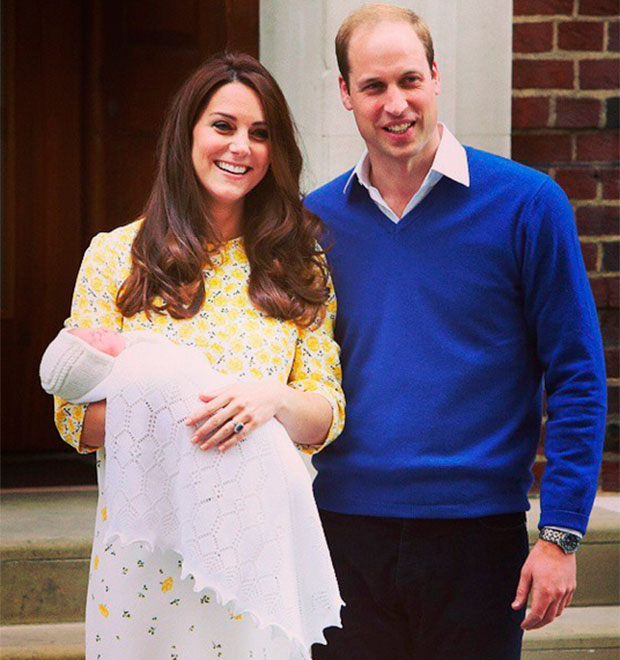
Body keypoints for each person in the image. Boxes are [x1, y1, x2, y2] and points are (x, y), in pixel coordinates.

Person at [304, 5, 607, 660]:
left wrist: (560, 535)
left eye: (410, 80)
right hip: (341, 537)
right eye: (374, 86)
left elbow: (578, 376)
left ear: (437, 76)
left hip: (478, 539)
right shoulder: (314, 223)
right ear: (345, 94)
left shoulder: (527, 203)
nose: (395, 104)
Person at [53, 52, 345, 660]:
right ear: (187, 133)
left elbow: (325, 416)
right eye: (223, 125)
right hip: (146, 555)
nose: (241, 147)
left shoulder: (298, 265)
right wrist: (187, 406)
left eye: (260, 133)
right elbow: (75, 419)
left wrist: (269, 399)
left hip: (256, 552)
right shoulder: (116, 255)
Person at [40, 326, 343, 658]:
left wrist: (275, 396)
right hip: (150, 543)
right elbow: (73, 418)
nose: (94, 334)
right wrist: (179, 404)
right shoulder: (117, 274)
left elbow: (325, 420)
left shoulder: (304, 277)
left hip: (252, 531)